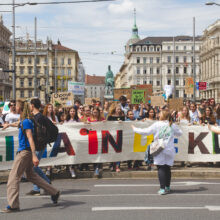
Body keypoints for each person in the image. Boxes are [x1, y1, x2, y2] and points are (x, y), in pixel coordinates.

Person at [1, 100, 60, 213]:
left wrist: (34, 155)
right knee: (31, 175)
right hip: (26, 152)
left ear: (20, 108)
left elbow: (30, 139)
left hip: (24, 153)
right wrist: (8, 124)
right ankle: (54, 192)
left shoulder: (26, 122)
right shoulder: (26, 120)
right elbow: (18, 124)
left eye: (15, 105)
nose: (14, 107)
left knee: (13, 178)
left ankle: (13, 205)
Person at [131, 110, 182, 195]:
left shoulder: (157, 124)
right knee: (167, 168)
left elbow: (146, 131)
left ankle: (162, 189)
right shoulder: (172, 125)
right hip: (169, 148)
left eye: (160, 114)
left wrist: (135, 129)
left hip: (159, 147)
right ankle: (167, 187)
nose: (158, 115)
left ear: (163, 116)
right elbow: (180, 133)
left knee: (161, 168)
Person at [26, 98, 52, 196]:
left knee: (33, 167)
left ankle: (47, 183)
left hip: (39, 145)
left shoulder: (38, 117)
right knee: (33, 167)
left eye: (29, 105)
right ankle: (37, 187)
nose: (29, 106)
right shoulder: (37, 116)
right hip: (39, 145)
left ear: (32, 105)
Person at [107, 104, 125, 172]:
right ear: (115, 109)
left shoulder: (122, 117)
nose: (119, 110)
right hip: (112, 135)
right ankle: (112, 165)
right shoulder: (110, 117)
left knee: (118, 151)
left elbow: (125, 125)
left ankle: (118, 166)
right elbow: (107, 125)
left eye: (120, 109)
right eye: (118, 109)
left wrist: (122, 122)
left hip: (119, 135)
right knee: (112, 151)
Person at [87, 107, 105, 176]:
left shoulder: (102, 119)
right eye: (94, 112)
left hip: (100, 138)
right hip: (92, 138)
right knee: (94, 153)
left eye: (96, 112)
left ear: (98, 113)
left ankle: (98, 167)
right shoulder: (89, 119)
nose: (95, 113)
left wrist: (104, 123)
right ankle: (96, 167)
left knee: (99, 153)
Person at [65, 106, 79, 178]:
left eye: (73, 111)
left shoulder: (78, 120)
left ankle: (72, 168)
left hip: (75, 140)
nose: (72, 112)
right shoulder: (66, 120)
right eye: (71, 111)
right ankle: (70, 168)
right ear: (69, 112)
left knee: (74, 155)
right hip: (68, 140)